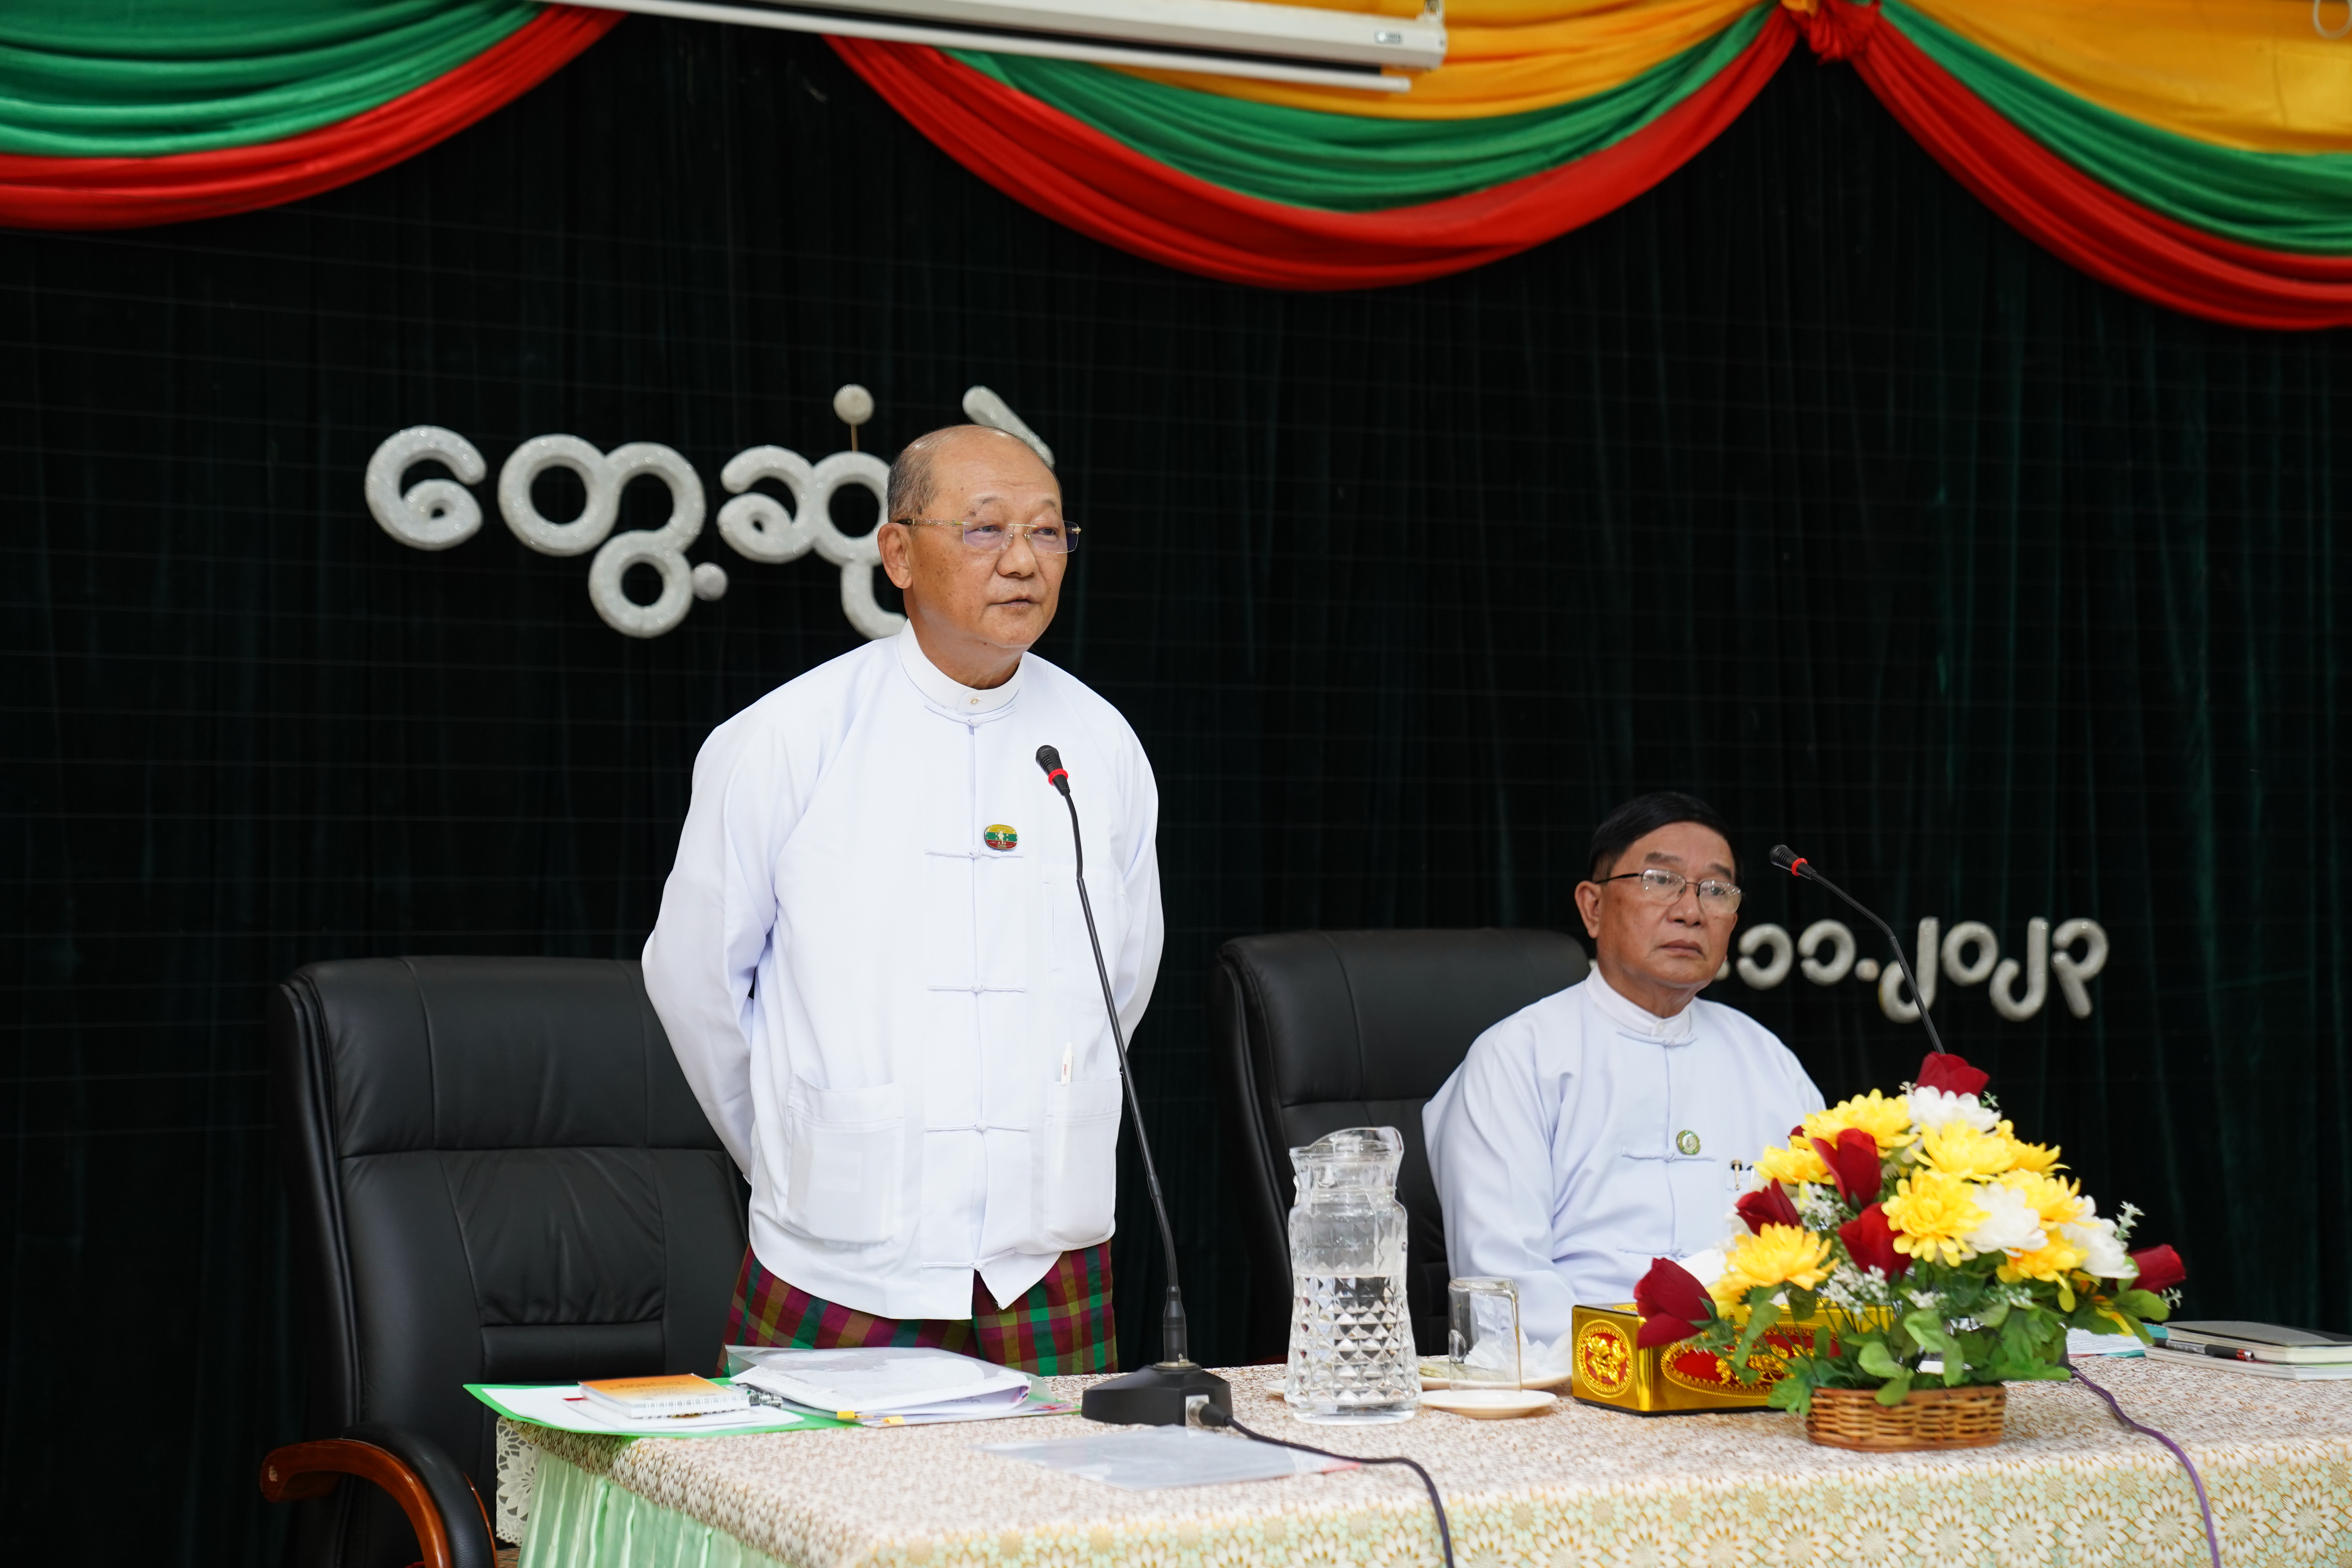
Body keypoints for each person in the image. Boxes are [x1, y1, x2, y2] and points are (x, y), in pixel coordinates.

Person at [642, 424, 1161, 1374]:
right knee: (802, 1480)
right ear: (898, 553)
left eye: (1048, 532)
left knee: (1062, 1481)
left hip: (1043, 1254)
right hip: (840, 1254)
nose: (1023, 561)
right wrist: (801, 1148)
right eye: (985, 528)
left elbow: (1120, 983)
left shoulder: (1102, 742)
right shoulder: (789, 736)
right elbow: (696, 983)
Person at [1422, 791, 1822, 1346]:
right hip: (1579, 1378)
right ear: (1593, 907)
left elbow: (1824, 1248)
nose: (1690, 911)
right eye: (1661, 880)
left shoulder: (1768, 1060)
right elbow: (1505, 1288)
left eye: (1716, 890)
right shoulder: (1519, 1057)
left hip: (1753, 1372)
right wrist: (1635, 1367)